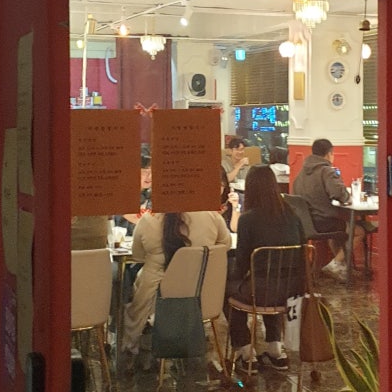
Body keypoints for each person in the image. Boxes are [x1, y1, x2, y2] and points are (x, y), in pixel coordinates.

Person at [121, 205, 231, 370]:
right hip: (201, 300)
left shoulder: (148, 220)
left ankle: (134, 349)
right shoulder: (210, 216)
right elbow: (225, 245)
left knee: (136, 285)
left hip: (157, 302)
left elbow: (137, 256)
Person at [227, 165, 305, 375]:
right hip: (291, 291)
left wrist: (234, 278)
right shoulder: (293, 216)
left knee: (230, 290)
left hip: (261, 290)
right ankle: (275, 349)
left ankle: (246, 352)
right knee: (271, 279)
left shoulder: (247, 219)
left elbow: (242, 264)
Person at [292, 138, 351, 278]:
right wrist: (347, 195)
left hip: (305, 223)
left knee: (337, 232)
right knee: (357, 230)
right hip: (323, 222)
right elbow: (339, 194)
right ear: (329, 153)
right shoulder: (327, 171)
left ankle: (340, 267)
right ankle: (336, 263)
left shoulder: (301, 172)